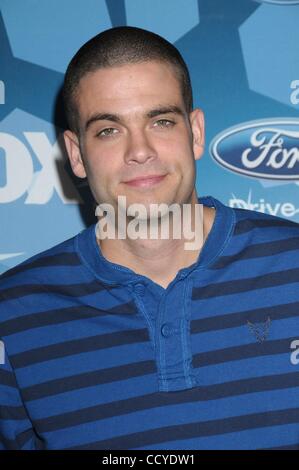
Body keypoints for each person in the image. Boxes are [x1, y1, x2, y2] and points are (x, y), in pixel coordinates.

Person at [0, 26, 299, 451]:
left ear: (195, 133)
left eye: (160, 121)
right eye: (108, 130)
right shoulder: (13, 317)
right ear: (75, 153)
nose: (139, 150)